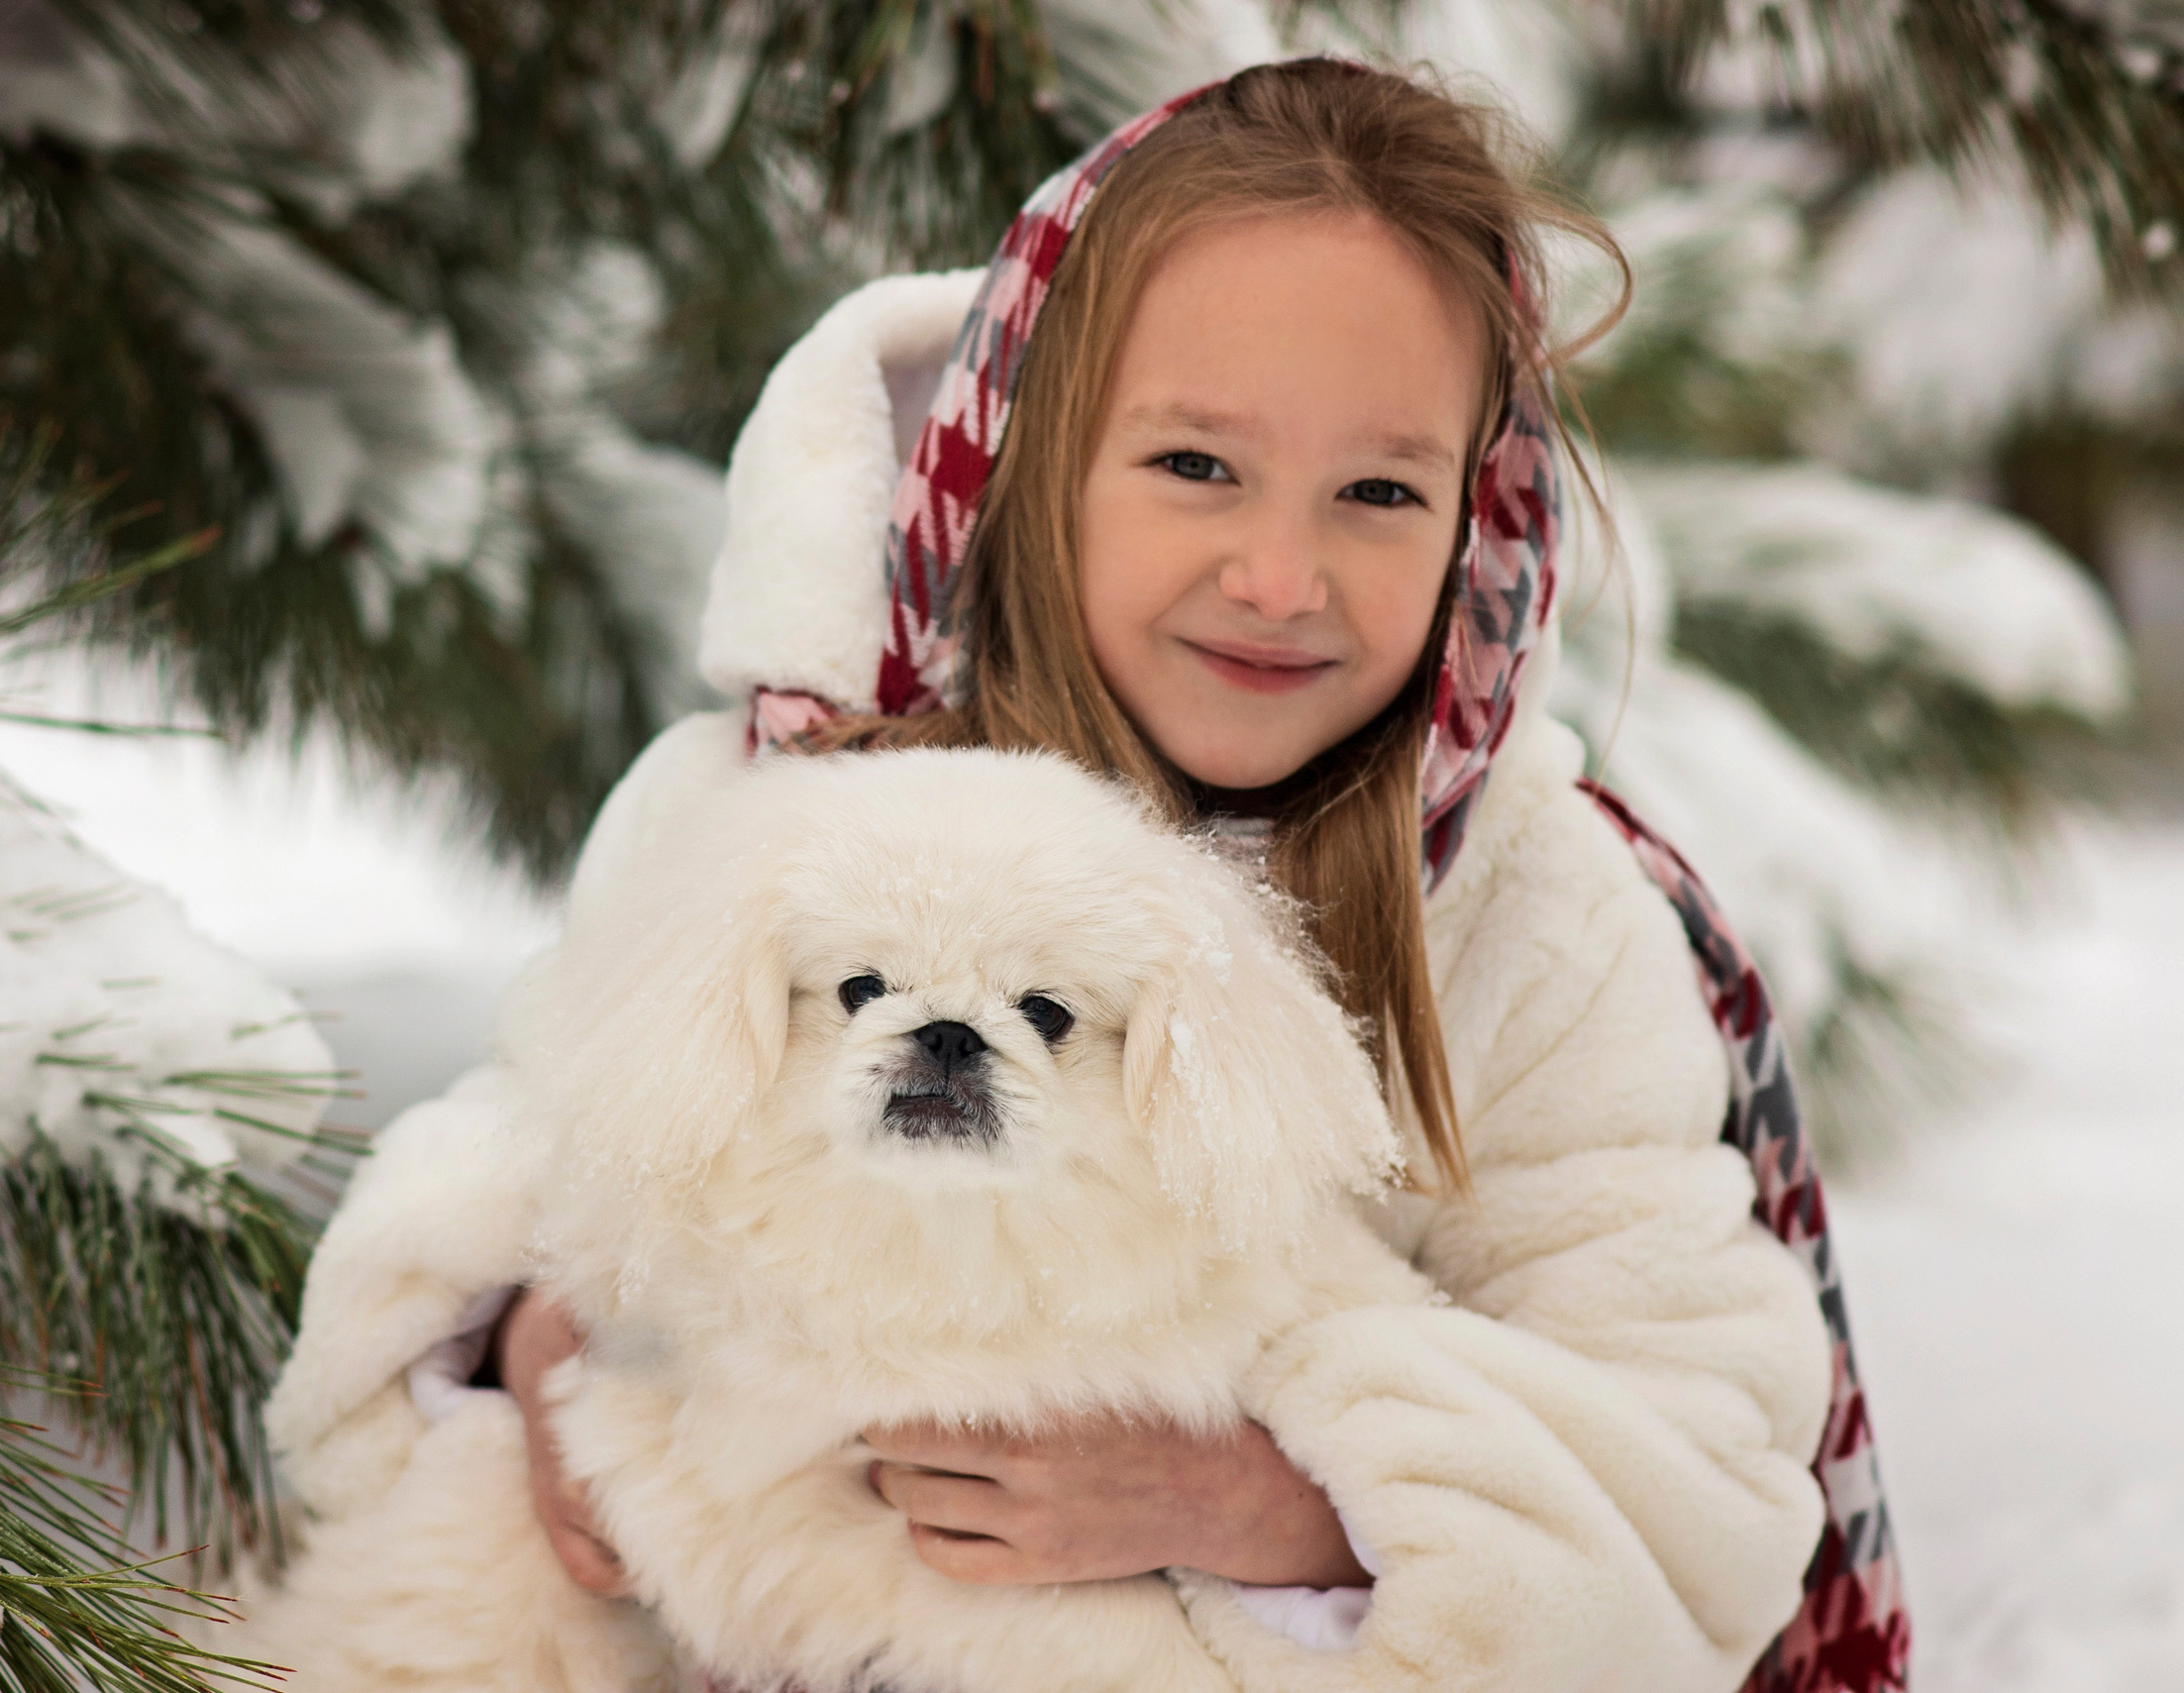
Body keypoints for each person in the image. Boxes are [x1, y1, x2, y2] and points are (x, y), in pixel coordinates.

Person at [269, 57, 1909, 1692]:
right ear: (1034, 460)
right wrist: (533, 1337)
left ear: (1478, 522)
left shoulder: (1533, 922)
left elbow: (1696, 1461)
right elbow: (531, 1145)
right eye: (1196, 463)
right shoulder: (774, 795)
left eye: (1380, 491)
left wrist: (1282, 1496)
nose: (1279, 575)